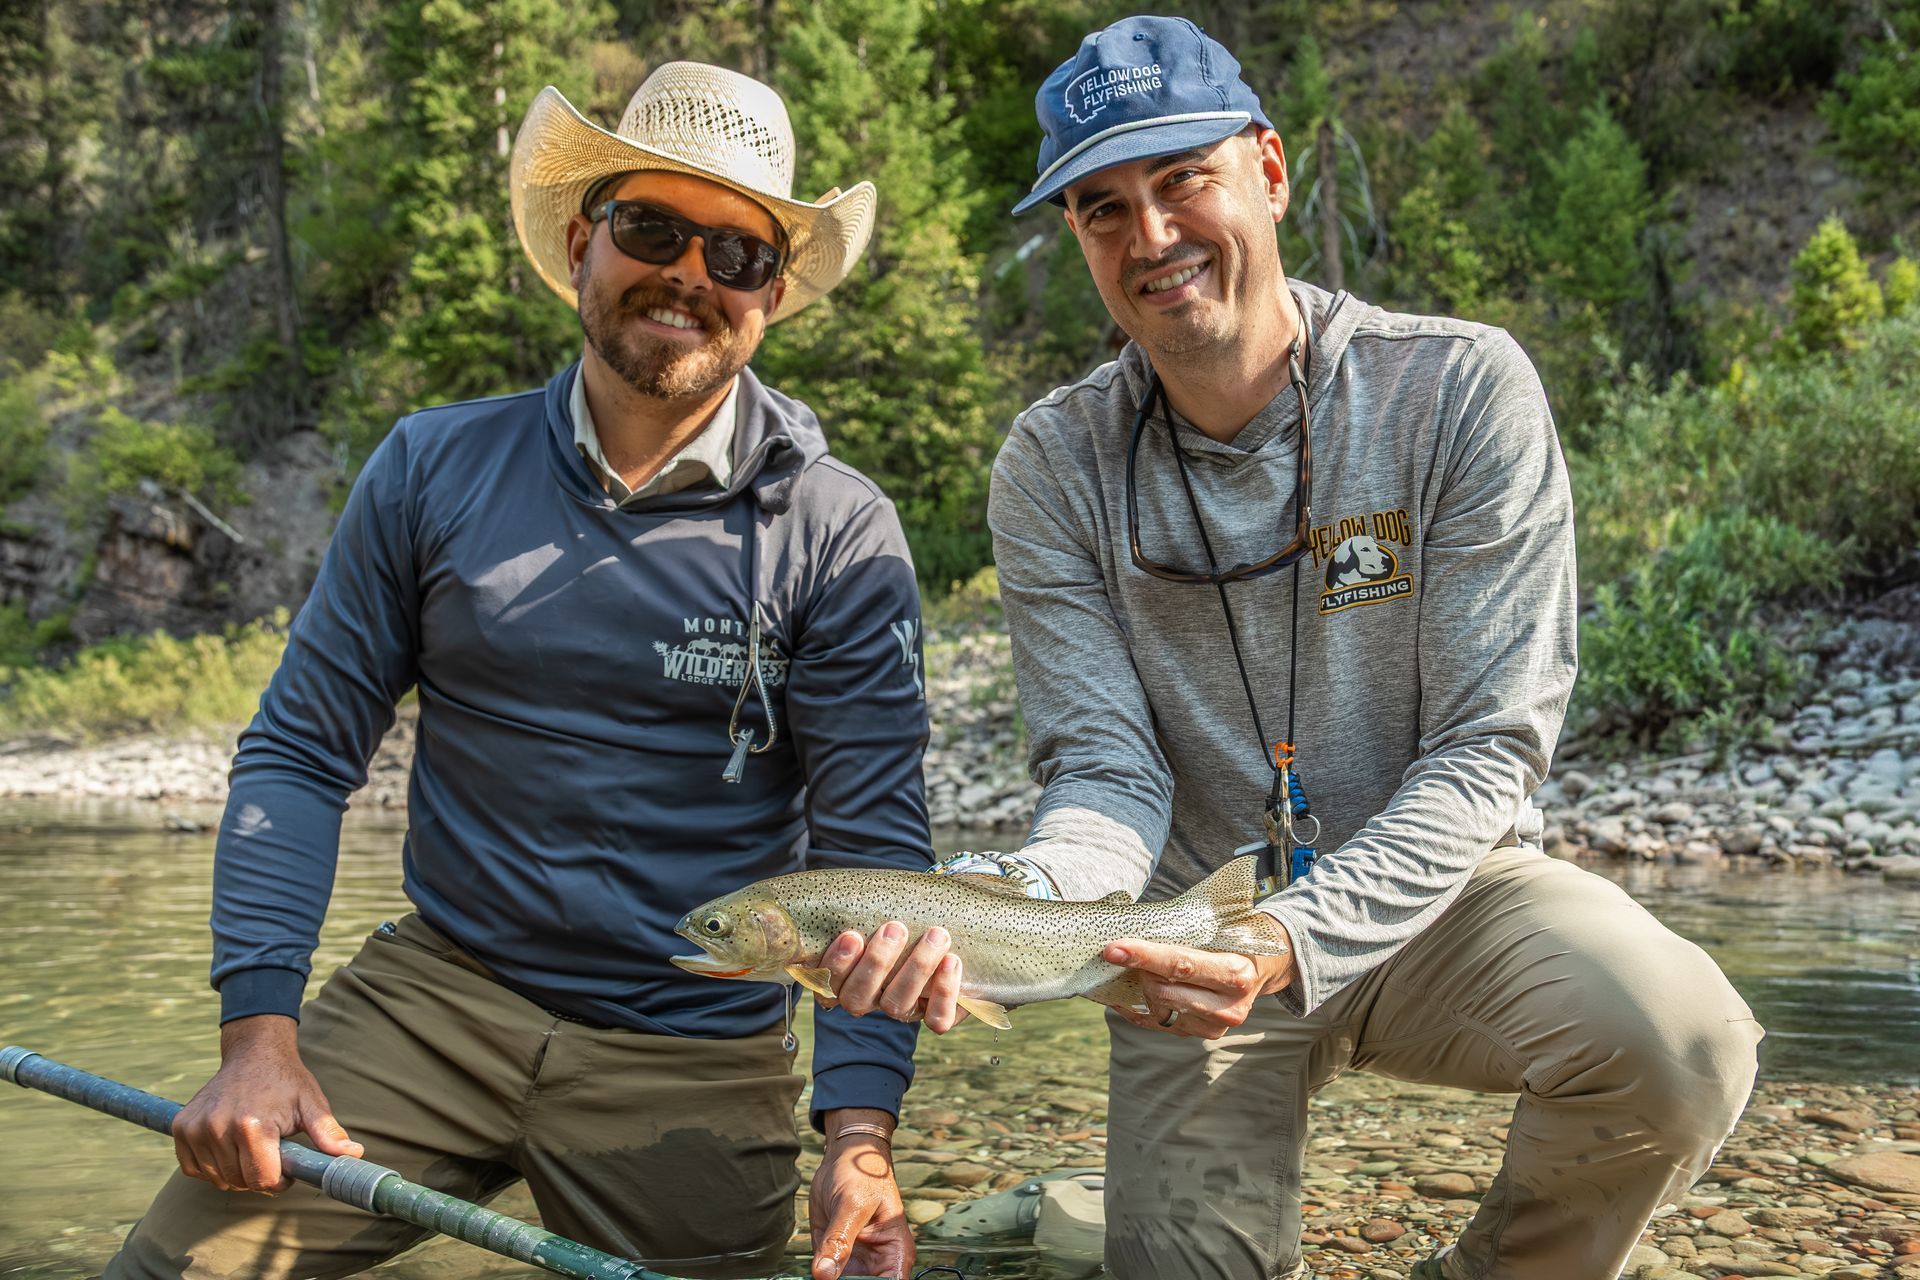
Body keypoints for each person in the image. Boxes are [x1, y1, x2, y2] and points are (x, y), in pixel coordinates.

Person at [819, 16, 1763, 1279]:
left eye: (1182, 181)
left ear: (1268, 171)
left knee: (1683, 1039)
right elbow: (1105, 770)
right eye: (1104, 209)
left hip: (1441, 901)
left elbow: (1488, 750)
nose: (1151, 236)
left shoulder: (1459, 390)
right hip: (1179, 944)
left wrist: (1289, 937)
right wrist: (1009, 900)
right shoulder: (1053, 464)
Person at [107, 63, 928, 1280]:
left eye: (737, 252)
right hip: (434, 998)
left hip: (692, 1039)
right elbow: (299, 752)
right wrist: (258, 1037)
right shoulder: (430, 467)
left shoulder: (839, 531)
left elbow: (874, 853)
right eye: (652, 227)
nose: (690, 273)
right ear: (581, 240)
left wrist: (858, 1134)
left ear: (770, 294)